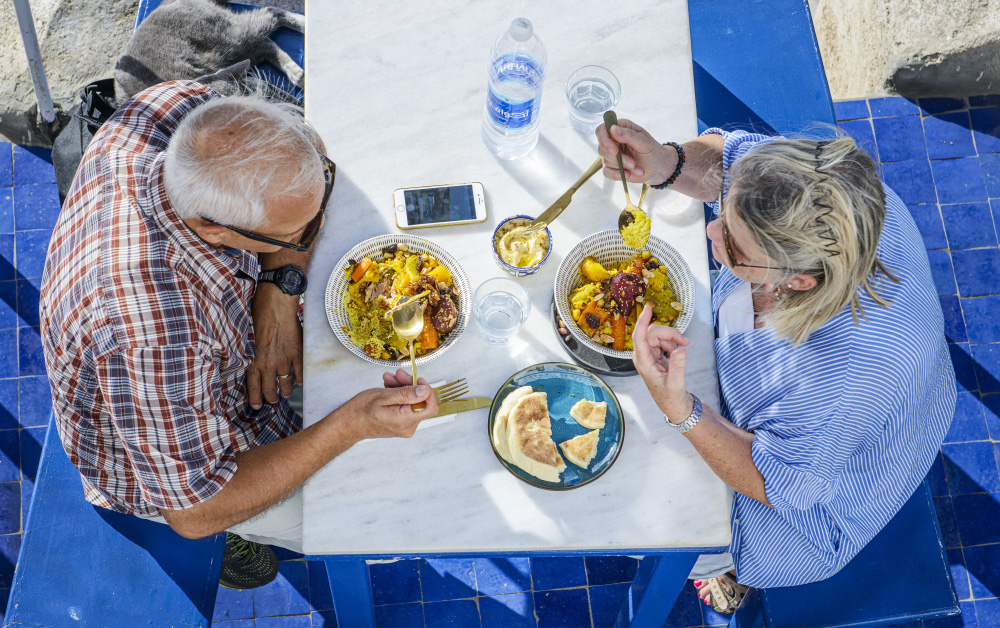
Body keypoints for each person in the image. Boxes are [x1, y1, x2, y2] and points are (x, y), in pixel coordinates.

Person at [39, 80, 439, 590]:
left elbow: (309, 149)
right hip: (176, 470)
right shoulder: (150, 333)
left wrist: (277, 287)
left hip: (210, 353)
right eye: (296, 235)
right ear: (214, 230)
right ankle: (248, 535)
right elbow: (197, 510)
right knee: (374, 512)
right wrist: (349, 425)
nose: (308, 236)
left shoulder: (174, 111)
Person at [596, 120, 955, 613]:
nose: (710, 231)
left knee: (624, 514)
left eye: (737, 247)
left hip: (802, 505)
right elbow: (731, 158)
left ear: (800, 282)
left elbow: (777, 481)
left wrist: (680, 408)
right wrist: (669, 163)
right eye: (724, 211)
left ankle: (725, 569)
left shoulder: (839, 381)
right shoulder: (827, 188)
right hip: (849, 415)